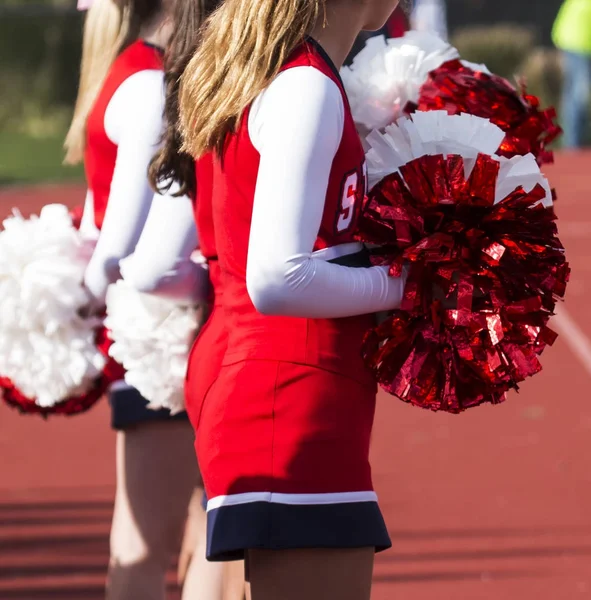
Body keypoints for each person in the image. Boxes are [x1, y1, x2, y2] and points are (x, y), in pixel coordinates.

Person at [178, 1, 406, 598]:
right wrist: (410, 284)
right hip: (288, 391)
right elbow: (278, 277)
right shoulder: (305, 85)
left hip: (280, 377)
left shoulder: (285, 73)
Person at [64, 1, 220, 598]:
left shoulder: (120, 70)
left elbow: (95, 229)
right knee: (148, 544)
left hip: (149, 332)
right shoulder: (153, 82)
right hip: (165, 336)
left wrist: (77, 301)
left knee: (199, 532)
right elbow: (122, 249)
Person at [123, 0, 249, 597]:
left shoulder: (200, 94)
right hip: (244, 349)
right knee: (223, 560)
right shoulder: (249, 99)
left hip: (223, 345)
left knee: (217, 545)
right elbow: (148, 264)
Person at [552, 0, 591, 148]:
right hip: (578, 47)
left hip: (572, 44)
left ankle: (573, 142)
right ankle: (573, 144)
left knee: (573, 95)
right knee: (578, 95)